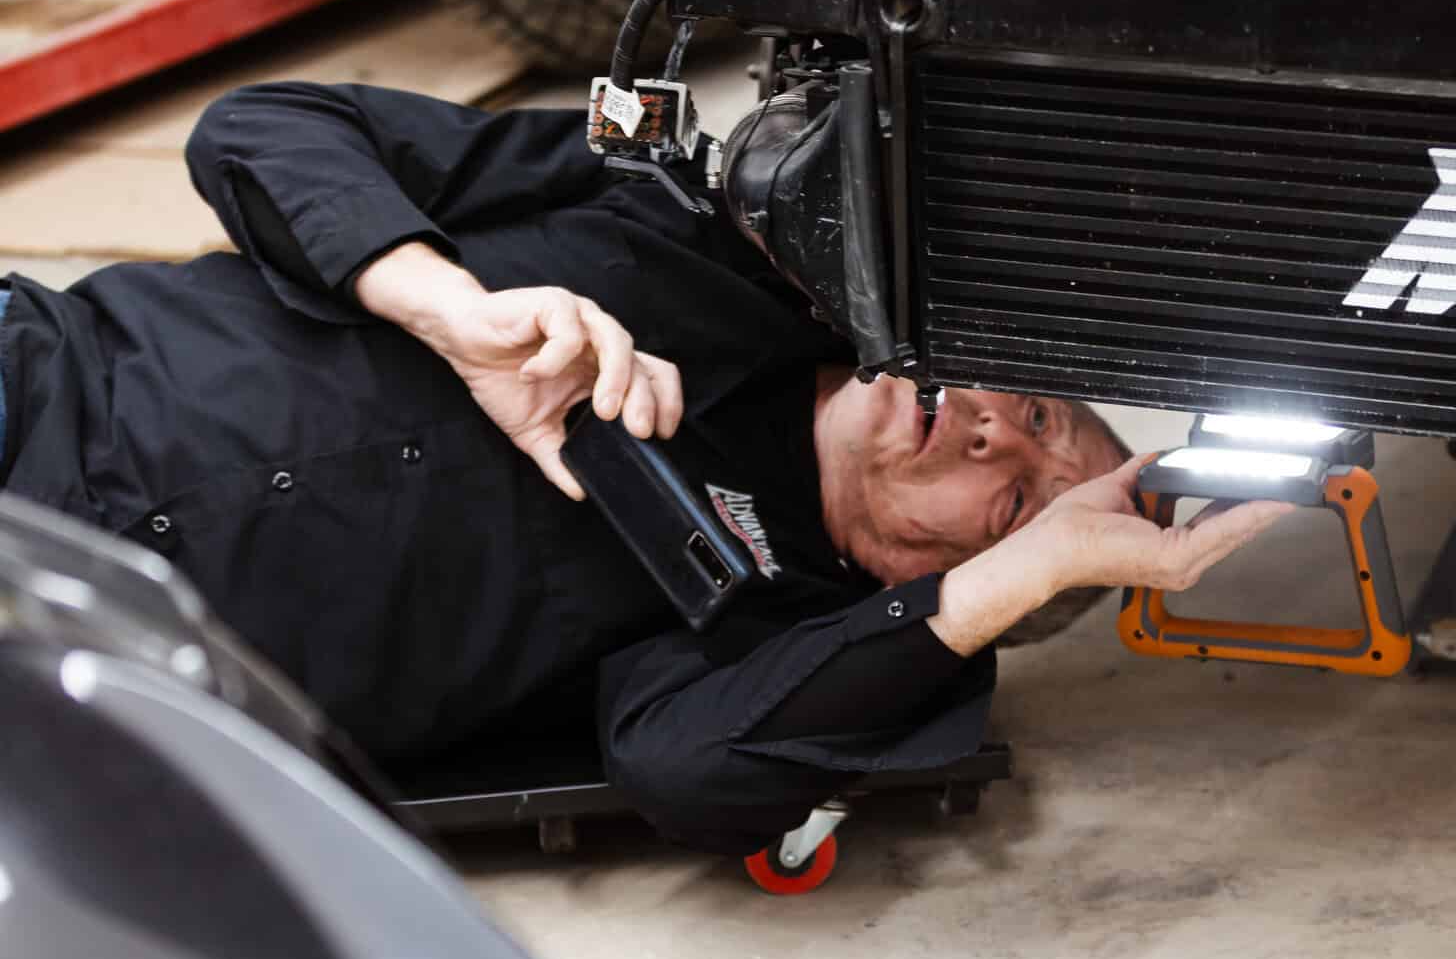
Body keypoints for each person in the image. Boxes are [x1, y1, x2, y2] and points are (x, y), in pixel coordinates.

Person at [0, 81, 1286, 855]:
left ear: (930, 566)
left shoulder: (775, 634)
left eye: (1008, 502)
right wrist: (442, 306)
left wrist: (1050, 562)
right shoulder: (691, 229)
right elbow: (262, 130)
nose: (994, 431)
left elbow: (691, 774)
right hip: (40, 387)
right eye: (1042, 409)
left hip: (72, 682)